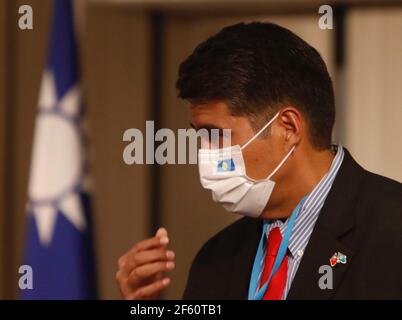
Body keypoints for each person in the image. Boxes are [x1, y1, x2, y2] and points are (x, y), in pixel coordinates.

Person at [115, 22, 402, 300]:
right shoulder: (215, 259)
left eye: (216, 135)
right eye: (199, 137)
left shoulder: (391, 232)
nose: (204, 152)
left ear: (288, 128)